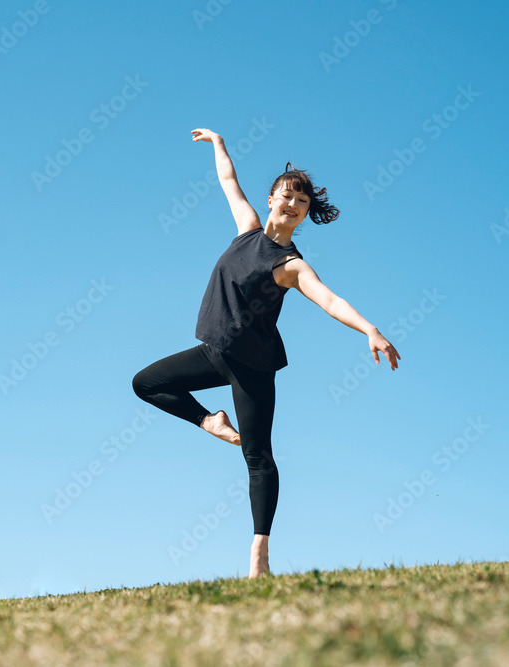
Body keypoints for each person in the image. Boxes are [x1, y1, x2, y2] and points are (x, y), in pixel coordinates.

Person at [132, 127, 401, 578]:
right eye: (287, 196)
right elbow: (228, 183)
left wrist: (369, 329)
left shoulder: (291, 265)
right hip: (216, 351)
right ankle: (209, 420)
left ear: (304, 215)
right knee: (145, 383)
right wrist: (219, 145)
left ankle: (259, 554)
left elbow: (330, 300)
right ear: (273, 198)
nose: (293, 205)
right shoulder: (246, 231)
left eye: (302, 203)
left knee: (258, 456)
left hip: (253, 368)